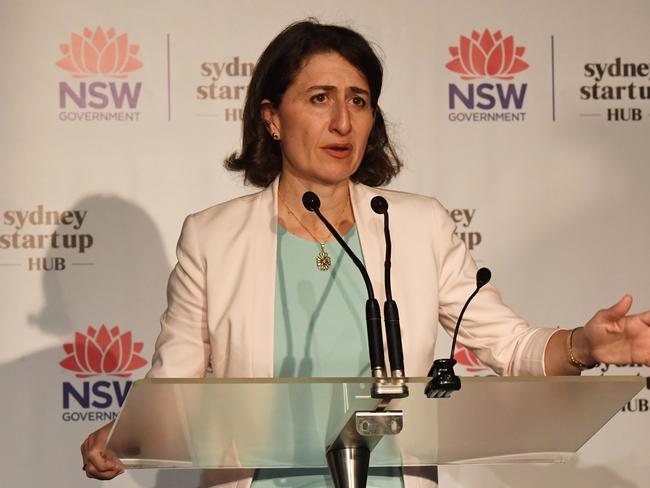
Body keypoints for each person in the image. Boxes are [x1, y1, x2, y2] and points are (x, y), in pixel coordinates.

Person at [81, 19, 650, 487]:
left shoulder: (418, 225)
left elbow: (509, 344)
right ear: (272, 117)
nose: (342, 121)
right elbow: (174, 388)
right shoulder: (212, 238)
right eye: (319, 98)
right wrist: (125, 437)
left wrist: (583, 344)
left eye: (359, 100)